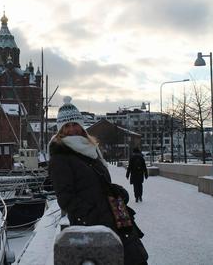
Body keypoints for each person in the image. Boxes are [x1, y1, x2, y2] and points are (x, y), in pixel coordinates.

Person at [49, 96, 148, 265]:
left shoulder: (90, 150)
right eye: (67, 126)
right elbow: (66, 199)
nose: (72, 129)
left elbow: (95, 183)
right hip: (93, 225)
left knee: (134, 257)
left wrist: (115, 191)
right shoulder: (60, 157)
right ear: (60, 130)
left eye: (75, 124)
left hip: (113, 214)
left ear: (81, 126)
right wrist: (94, 216)